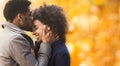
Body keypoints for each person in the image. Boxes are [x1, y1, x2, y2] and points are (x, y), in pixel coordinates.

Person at [0, 0, 57, 66]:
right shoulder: (15, 39)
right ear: (20, 17)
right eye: (30, 15)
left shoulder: (4, 34)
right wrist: (46, 44)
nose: (32, 19)